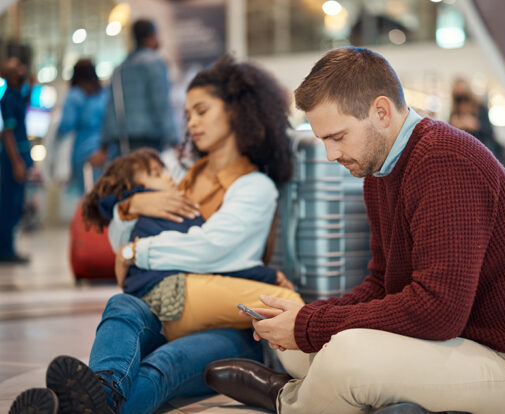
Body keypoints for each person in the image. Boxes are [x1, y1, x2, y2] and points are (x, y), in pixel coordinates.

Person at [204, 47, 505, 414]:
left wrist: (312, 323)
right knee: (302, 350)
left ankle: (289, 401)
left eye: (338, 137)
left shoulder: (445, 160)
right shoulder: (381, 171)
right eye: (323, 142)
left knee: (343, 357)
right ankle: (322, 394)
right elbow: (382, 284)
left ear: (381, 112)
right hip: (463, 344)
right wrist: (307, 317)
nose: (331, 155)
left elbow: (440, 310)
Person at [9, 55, 298, 414]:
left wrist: (137, 252)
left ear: (237, 110)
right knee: (121, 306)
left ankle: (78, 406)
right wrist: (131, 208)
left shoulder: (254, 186)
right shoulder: (177, 172)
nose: (191, 122)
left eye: (202, 111)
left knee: (164, 365)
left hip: (229, 327)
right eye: (188, 114)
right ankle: (104, 394)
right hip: (165, 310)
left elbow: (211, 250)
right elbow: (118, 243)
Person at [80, 147, 298, 339]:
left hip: (160, 303)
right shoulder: (172, 211)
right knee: (288, 303)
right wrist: (268, 276)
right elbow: (209, 258)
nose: (168, 177)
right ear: (134, 189)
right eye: (157, 174)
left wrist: (129, 217)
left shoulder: (146, 217)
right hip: (176, 295)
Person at [97, 19, 178, 163]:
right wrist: (174, 139)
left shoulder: (120, 68)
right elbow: (161, 104)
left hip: (123, 143)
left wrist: (104, 145)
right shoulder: (155, 63)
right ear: (152, 36)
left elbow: (110, 109)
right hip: (151, 142)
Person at [56, 58, 109, 195]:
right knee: (104, 197)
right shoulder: (104, 95)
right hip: (105, 152)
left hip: (83, 154)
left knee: (87, 201)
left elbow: (66, 126)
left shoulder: (74, 96)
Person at [0, 57, 33, 263]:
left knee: (16, 203)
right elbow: (8, 134)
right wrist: (17, 163)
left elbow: (28, 97)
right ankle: (5, 250)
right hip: (13, 160)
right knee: (9, 205)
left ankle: (7, 248)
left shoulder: (16, 95)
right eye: (17, 69)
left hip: (20, 157)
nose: (21, 70)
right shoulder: (7, 99)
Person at [449, 78, 505, 169]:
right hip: (463, 151)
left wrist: (475, 125)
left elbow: (490, 131)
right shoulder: (454, 113)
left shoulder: (480, 108)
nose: (462, 102)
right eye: (459, 99)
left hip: (482, 147)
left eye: (464, 97)